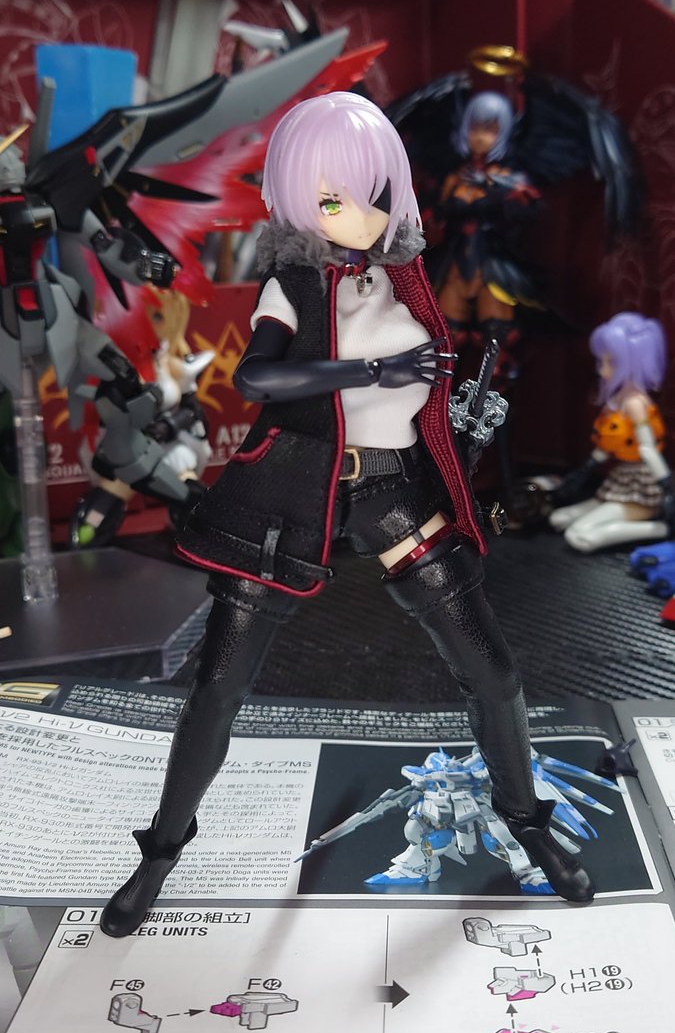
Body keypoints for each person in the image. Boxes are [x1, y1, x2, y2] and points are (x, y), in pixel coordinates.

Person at [101, 93, 593, 939]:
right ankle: (159, 853)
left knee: (493, 673)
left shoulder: (403, 278)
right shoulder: (291, 283)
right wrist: (372, 372)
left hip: (396, 491)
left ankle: (528, 823)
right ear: (299, 201)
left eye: (373, 194)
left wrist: (458, 419)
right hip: (289, 494)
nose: (359, 215)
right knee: (217, 689)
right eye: (333, 199)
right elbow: (259, 380)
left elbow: (421, 389)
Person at [550, 312, 671, 552]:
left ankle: (660, 529)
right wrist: (585, 469)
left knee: (578, 536)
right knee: (558, 519)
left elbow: (648, 449)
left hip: (641, 487)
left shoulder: (635, 404)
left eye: (612, 362)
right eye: (602, 361)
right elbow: (609, 445)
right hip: (620, 480)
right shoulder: (617, 401)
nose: (603, 370)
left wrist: (667, 485)